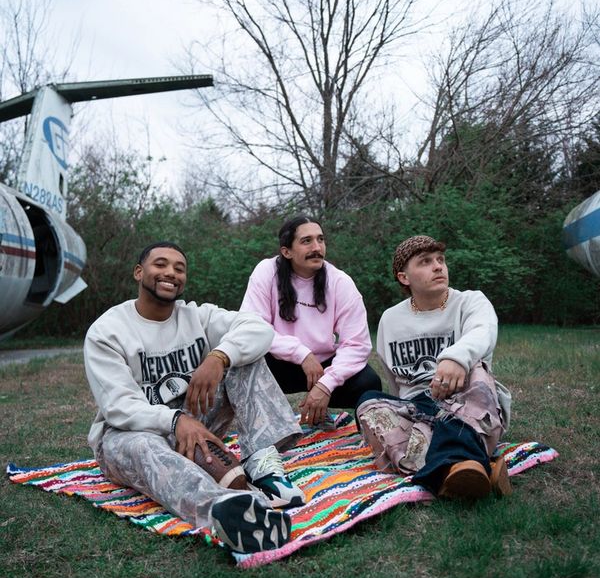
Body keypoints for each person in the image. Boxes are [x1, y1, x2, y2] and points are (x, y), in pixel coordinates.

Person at [84, 241, 305, 555]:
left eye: (179, 268)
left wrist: (219, 356)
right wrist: (174, 421)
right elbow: (118, 407)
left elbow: (259, 328)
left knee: (246, 358)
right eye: (160, 264)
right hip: (132, 435)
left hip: (198, 423)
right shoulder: (108, 331)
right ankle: (228, 512)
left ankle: (265, 471)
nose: (170, 273)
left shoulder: (197, 317)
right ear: (139, 272)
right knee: (143, 446)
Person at [356, 235, 512, 499]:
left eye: (440, 260)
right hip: (417, 409)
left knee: (478, 370)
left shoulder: (471, 301)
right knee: (368, 401)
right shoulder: (390, 319)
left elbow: (483, 331)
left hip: (464, 399)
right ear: (404, 277)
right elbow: (395, 381)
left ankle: (439, 469)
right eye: (425, 262)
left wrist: (456, 357)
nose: (438, 266)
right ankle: (470, 467)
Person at [240, 215, 382, 427]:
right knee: (242, 368)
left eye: (321, 239)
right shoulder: (266, 271)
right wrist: (302, 354)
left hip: (324, 365)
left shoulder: (340, 282)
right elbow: (252, 326)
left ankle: (371, 436)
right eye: (307, 241)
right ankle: (266, 430)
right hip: (278, 362)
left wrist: (326, 384)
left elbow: (356, 344)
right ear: (286, 251)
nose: (317, 247)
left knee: (369, 383)